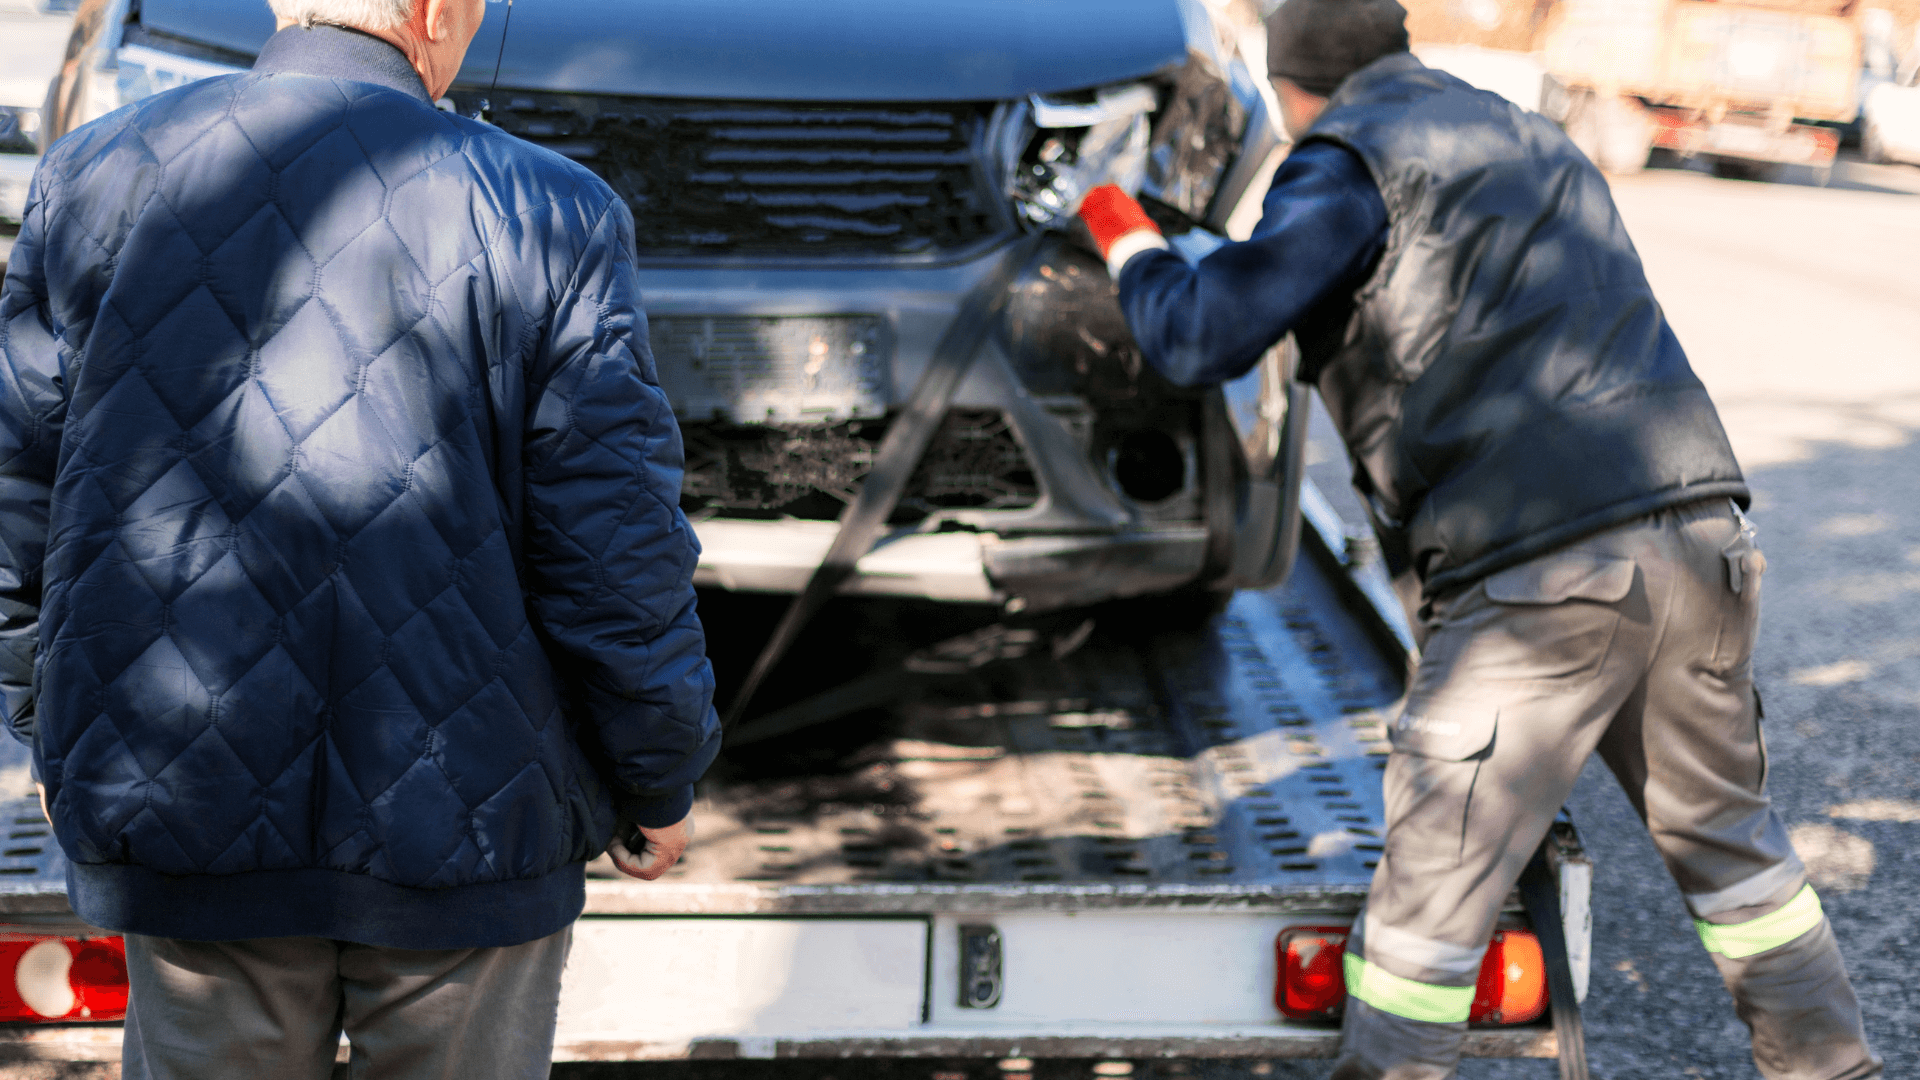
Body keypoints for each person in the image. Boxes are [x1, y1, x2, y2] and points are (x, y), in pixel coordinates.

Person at [1074, 0, 1879, 1076]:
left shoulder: (1344, 158)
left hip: (1543, 579)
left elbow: (1203, 333)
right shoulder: (1523, 133)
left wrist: (1119, 232)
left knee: (1427, 912)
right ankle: (1836, 1065)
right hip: (1701, 535)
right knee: (1736, 858)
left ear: (1289, 89)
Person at [0, 0, 721, 1075]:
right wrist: (659, 772)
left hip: (187, 810)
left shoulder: (92, 176)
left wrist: (46, 726)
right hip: (469, 836)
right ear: (433, 11)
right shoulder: (551, 209)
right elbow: (615, 548)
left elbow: (21, 495)